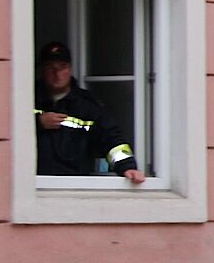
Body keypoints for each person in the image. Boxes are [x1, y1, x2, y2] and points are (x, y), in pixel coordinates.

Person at [34, 41, 146, 183]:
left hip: (75, 185)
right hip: (33, 184)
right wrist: (37, 122)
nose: (57, 74)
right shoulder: (26, 99)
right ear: (42, 70)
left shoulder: (87, 106)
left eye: (62, 67)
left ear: (70, 69)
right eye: (51, 68)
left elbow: (111, 139)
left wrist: (127, 167)